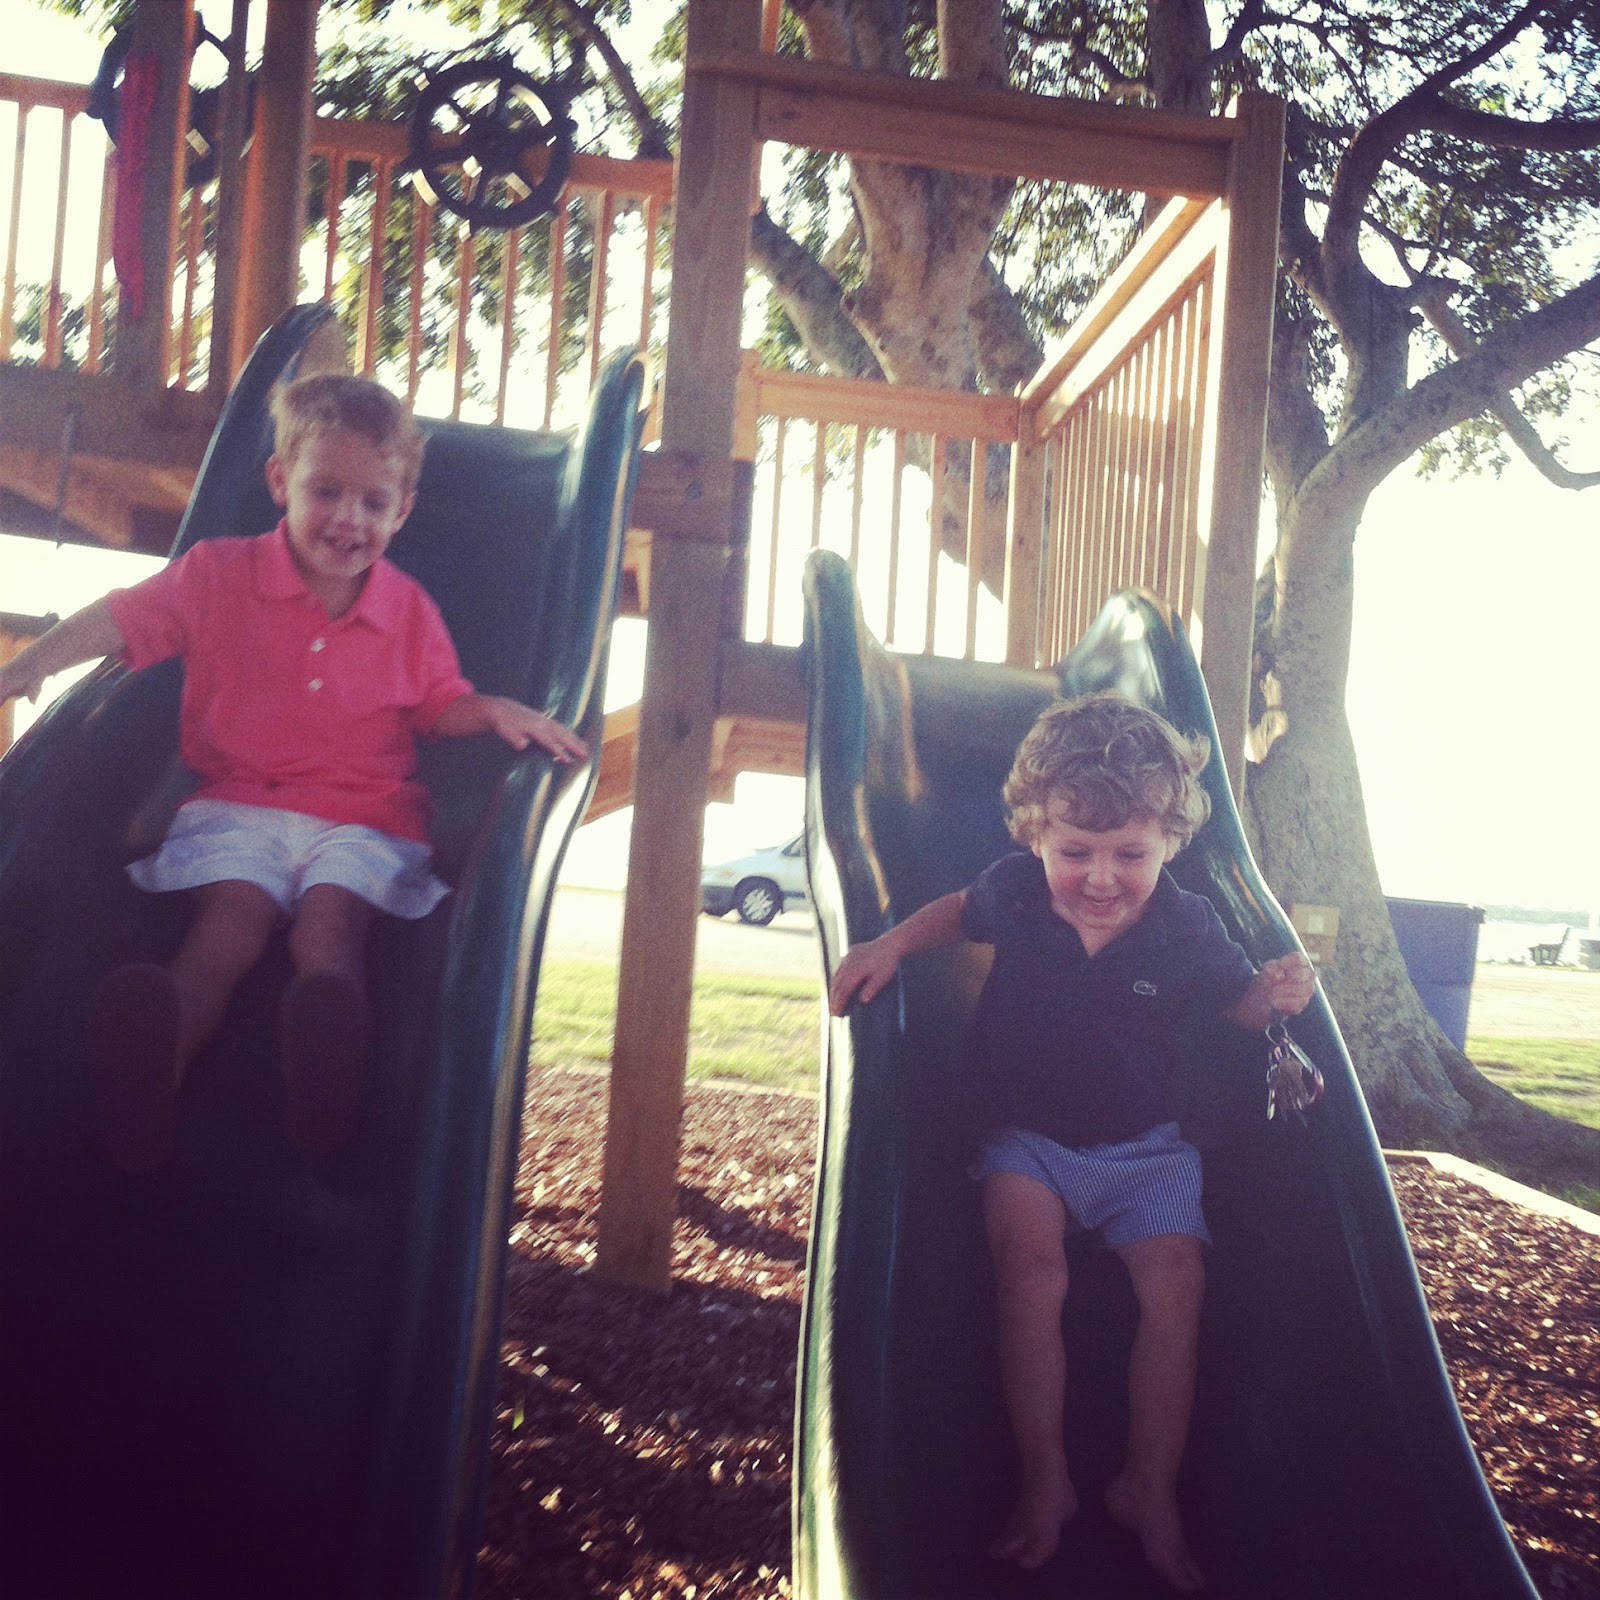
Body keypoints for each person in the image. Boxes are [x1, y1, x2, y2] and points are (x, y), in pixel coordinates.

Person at [0, 373, 588, 1173]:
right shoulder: (217, 575)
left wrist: (489, 710)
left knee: (330, 927)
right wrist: (34, 661)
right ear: (281, 482)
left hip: (365, 816)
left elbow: (437, 704)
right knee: (226, 927)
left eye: (374, 503)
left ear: (402, 511)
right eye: (326, 491)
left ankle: (324, 1072)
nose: (349, 518)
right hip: (241, 805)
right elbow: (123, 616)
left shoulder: (407, 610)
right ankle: (154, 1066)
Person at [828, 692, 1315, 1591]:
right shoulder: (1016, 894)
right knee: (1031, 1271)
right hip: (1028, 1140)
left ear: (1170, 841)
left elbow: (1239, 1010)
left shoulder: (1188, 926)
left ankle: (1147, 1486)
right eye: (1075, 852)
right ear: (1035, 836)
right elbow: (956, 912)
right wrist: (890, 944)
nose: (1100, 878)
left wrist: (1274, 996)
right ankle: (1045, 1478)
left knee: (1178, 1286)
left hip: (1147, 1148)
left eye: (1129, 854)